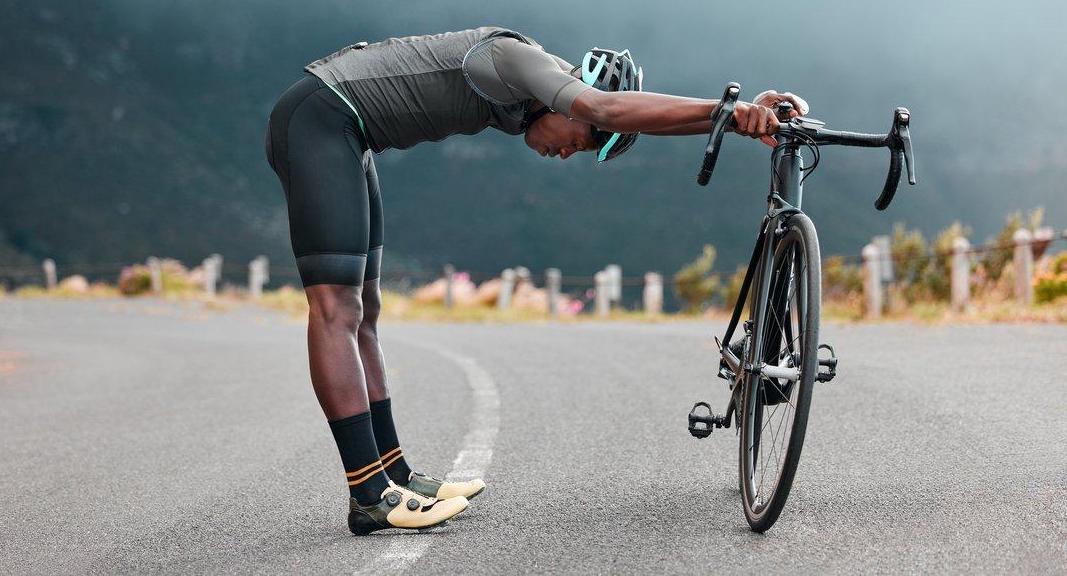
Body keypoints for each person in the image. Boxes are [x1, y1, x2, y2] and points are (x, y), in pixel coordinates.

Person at [263, 27, 808, 535]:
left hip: (349, 134)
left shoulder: (543, 92)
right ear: (570, 103)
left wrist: (734, 118)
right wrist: (727, 110)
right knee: (338, 309)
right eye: (580, 141)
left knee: (365, 310)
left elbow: (620, 114)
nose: (566, 154)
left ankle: (393, 473)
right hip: (321, 117)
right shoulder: (515, 58)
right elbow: (606, 109)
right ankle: (368, 494)